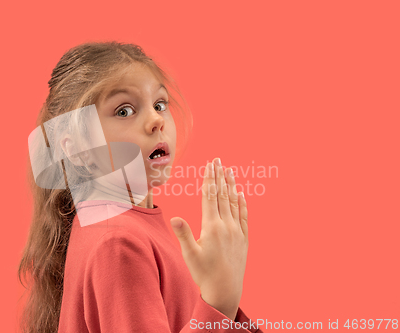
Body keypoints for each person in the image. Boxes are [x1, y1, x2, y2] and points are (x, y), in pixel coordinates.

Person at [18, 41, 263, 333]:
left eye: (160, 104)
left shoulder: (125, 229)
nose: (156, 120)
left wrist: (225, 300)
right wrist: (220, 300)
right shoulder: (118, 242)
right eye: (124, 111)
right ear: (78, 151)